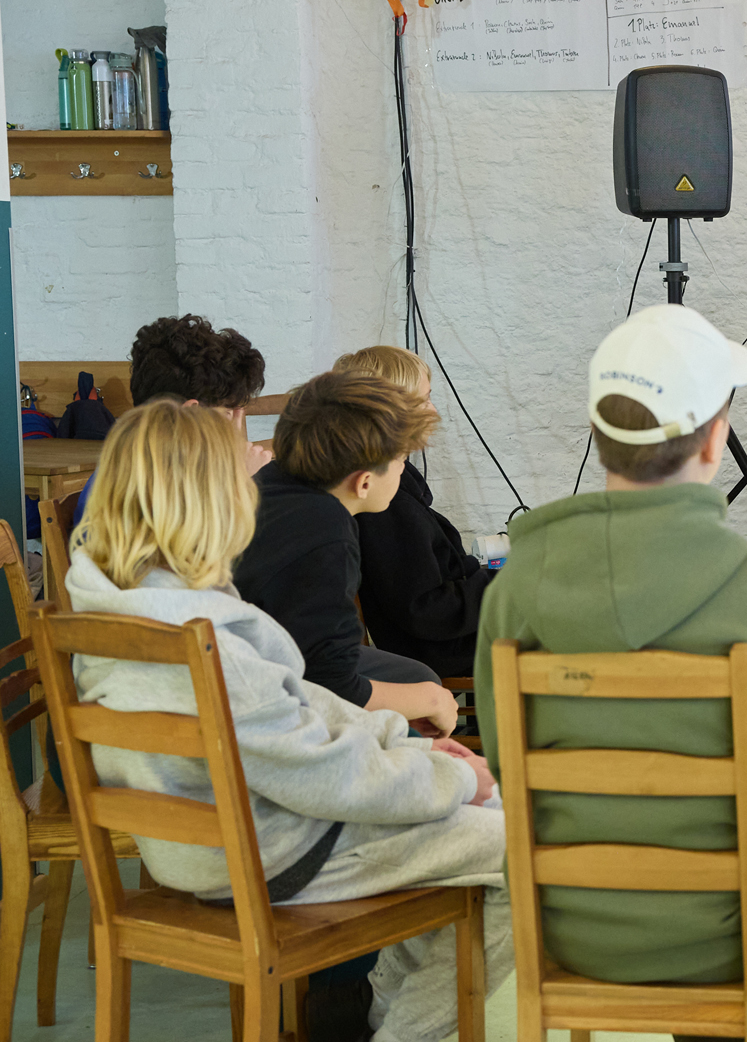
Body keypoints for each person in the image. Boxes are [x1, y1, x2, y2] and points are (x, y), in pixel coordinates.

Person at [472, 304, 747, 1042]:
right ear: (716, 437)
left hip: (573, 923)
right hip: (734, 931)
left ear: (600, 436)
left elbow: (507, 768)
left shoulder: (514, 590)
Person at [64, 400, 513, 1042]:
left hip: (206, 845)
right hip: (270, 855)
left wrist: (412, 749)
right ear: (217, 503)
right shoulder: (206, 640)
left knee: (474, 819)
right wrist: (460, 782)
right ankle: (405, 1032)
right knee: (523, 848)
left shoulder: (115, 605)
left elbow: (298, 707)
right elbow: (327, 777)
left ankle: (380, 1017)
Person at [233, 372, 459, 734]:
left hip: (264, 657)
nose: (404, 468)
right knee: (426, 695)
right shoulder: (327, 535)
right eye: (401, 460)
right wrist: (431, 700)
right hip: (267, 690)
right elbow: (332, 685)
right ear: (364, 482)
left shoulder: (274, 480)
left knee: (415, 676)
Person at [334, 346, 495, 678]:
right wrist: (505, 586)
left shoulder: (399, 479)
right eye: (422, 401)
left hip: (452, 634)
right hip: (441, 648)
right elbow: (426, 610)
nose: (433, 411)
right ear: (389, 413)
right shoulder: (384, 500)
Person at [71, 313, 272, 524]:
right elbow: (198, 554)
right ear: (191, 414)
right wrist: (239, 485)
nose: (235, 429)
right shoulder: (146, 488)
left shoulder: (146, 463)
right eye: (228, 414)